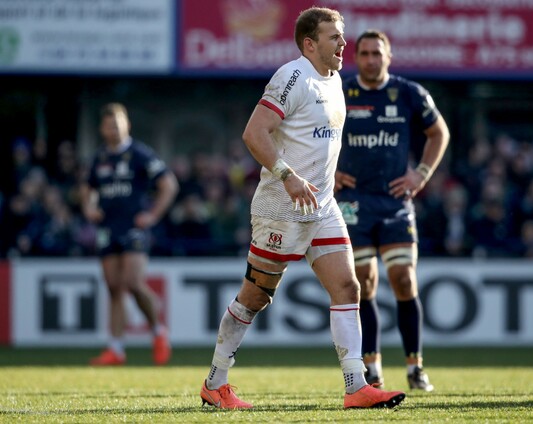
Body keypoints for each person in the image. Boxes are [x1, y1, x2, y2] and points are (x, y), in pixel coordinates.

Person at [199, 7, 405, 410]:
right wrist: (288, 176)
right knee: (255, 297)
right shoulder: (292, 76)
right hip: (282, 207)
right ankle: (215, 382)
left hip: (322, 206)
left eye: (342, 35)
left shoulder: (335, 80)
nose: (343, 43)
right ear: (310, 44)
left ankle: (356, 385)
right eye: (334, 36)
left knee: (348, 287)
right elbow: (254, 133)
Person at [335, 30, 450, 391]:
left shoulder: (409, 93)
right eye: (365, 53)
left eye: (377, 53)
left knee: (404, 279)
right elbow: (311, 134)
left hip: (395, 202)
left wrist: (421, 174)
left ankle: (415, 367)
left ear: (389, 56)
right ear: (356, 57)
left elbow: (439, 133)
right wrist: (328, 171)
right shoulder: (339, 91)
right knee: (363, 283)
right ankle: (372, 368)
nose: (371, 60)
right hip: (353, 202)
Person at [81, 103, 178, 366]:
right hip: (108, 227)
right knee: (113, 286)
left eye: (117, 124)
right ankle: (116, 348)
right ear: (102, 129)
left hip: (134, 227)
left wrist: (153, 215)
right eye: (109, 125)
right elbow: (88, 188)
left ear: (127, 125)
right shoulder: (99, 158)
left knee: (133, 282)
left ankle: (158, 331)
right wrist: (89, 207)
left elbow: (169, 184)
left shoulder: (139, 154)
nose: (113, 129)